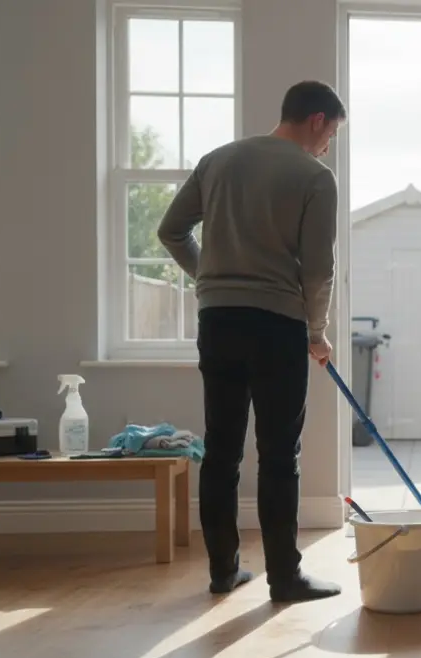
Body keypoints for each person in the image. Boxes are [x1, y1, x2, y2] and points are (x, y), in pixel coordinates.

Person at [157, 80, 347, 603]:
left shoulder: (217, 161)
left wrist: (209, 279)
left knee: (220, 449)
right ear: (316, 120)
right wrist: (316, 331)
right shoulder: (314, 176)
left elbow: (171, 231)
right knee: (279, 454)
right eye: (330, 133)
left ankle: (223, 571)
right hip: (276, 325)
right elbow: (319, 270)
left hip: (217, 322)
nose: (328, 145)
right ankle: (285, 578)